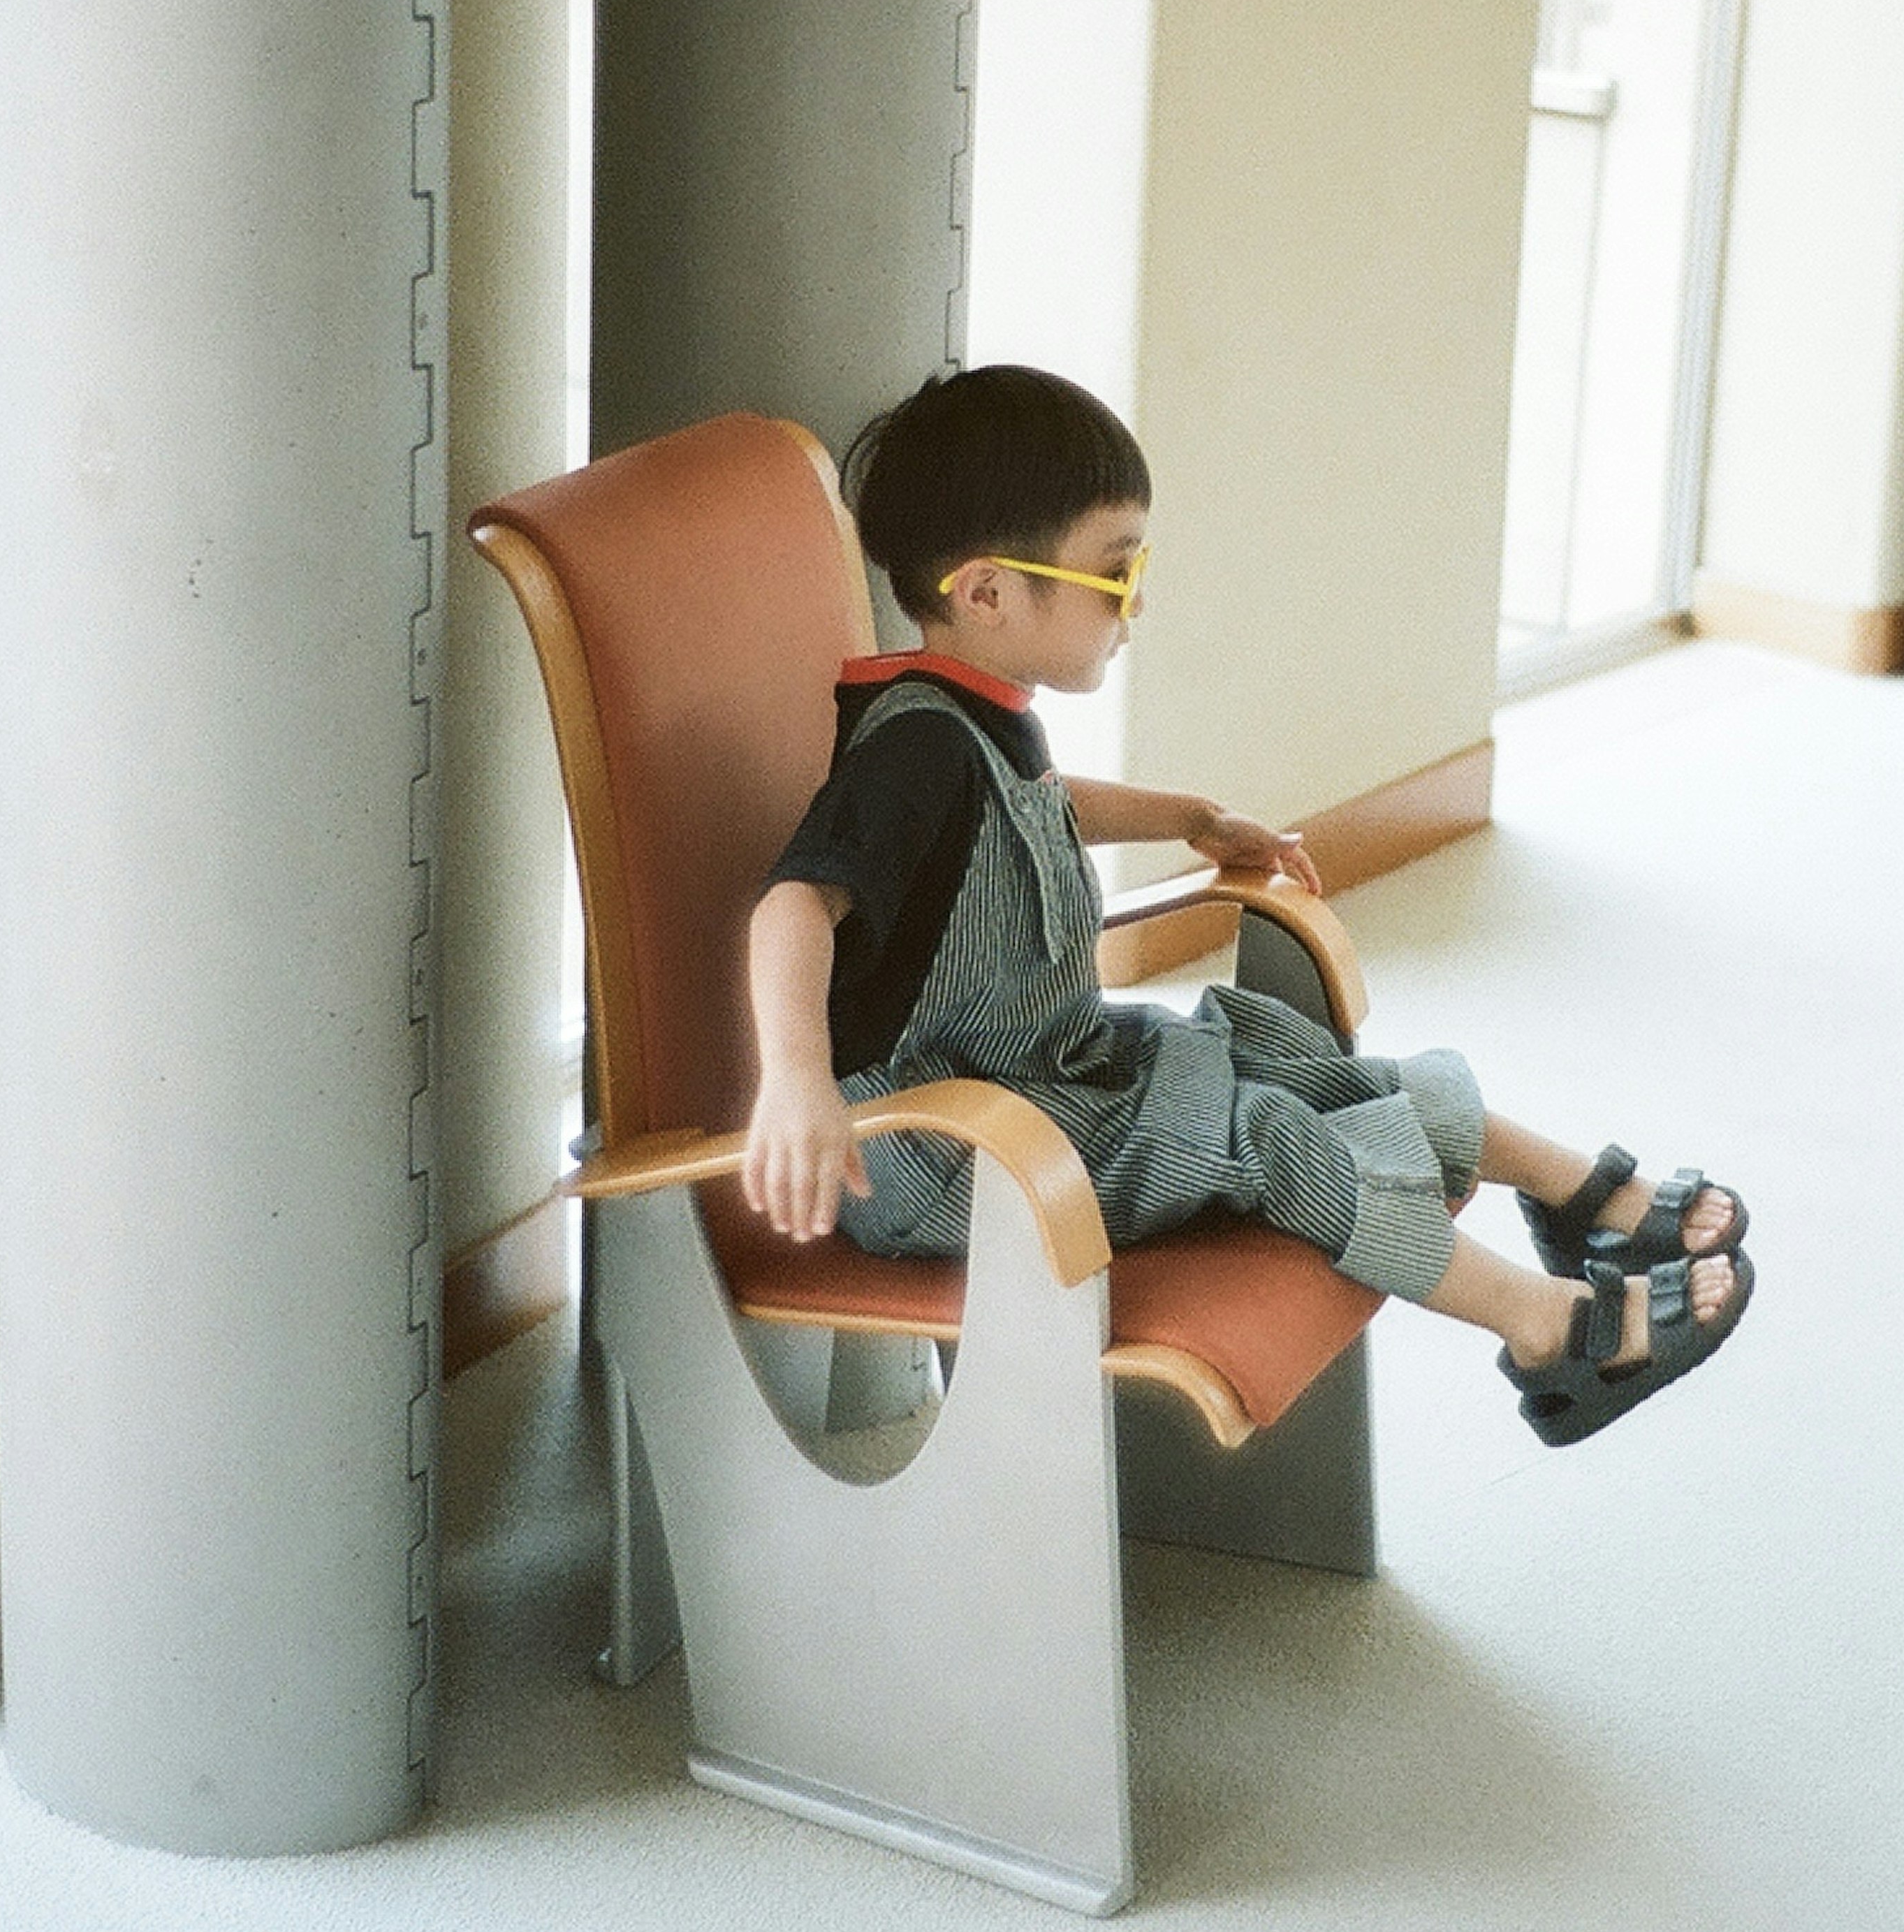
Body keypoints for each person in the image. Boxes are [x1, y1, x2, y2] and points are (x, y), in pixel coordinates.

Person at [741, 365, 1752, 1442]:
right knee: (1269, 1130)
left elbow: (1032, 809)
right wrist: (799, 1082)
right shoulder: (910, 751)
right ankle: (1549, 1331)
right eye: (1116, 575)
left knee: (1276, 1054)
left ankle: (1576, 1195)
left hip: (1041, 1081)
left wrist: (1190, 817)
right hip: (944, 1153)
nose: (1138, 604)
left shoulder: (973, 718)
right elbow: (794, 907)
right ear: (987, 593)